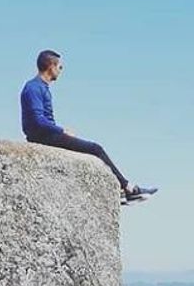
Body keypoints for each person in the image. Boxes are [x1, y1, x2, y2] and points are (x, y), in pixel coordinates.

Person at [20, 50, 156, 201]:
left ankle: (118, 189)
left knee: (88, 152)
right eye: (60, 67)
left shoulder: (41, 87)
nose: (60, 71)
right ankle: (128, 188)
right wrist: (61, 130)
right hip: (45, 137)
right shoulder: (33, 88)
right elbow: (37, 119)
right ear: (51, 66)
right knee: (95, 149)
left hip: (47, 135)